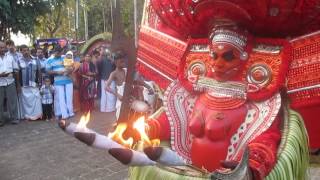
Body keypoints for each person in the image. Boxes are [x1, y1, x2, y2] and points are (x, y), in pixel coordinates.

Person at [46, 46, 74, 120]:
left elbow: (71, 68)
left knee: (69, 97)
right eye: (57, 53)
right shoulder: (49, 60)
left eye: (60, 53)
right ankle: (64, 114)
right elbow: (48, 71)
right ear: (54, 52)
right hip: (58, 81)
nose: (59, 54)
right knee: (61, 98)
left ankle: (70, 112)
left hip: (68, 80)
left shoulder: (65, 57)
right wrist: (57, 72)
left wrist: (68, 70)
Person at [17, 45, 42, 120]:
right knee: (25, 102)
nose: (26, 52)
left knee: (36, 100)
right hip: (24, 85)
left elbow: (39, 71)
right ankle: (27, 116)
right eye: (24, 50)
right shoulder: (18, 61)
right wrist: (18, 85)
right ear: (21, 52)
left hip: (34, 84)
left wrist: (40, 82)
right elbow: (17, 74)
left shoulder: (35, 59)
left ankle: (36, 116)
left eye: (27, 50)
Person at [0, 41, 19, 126]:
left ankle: (14, 118)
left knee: (12, 101)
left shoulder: (10, 57)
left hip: (10, 81)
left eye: (4, 47)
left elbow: (16, 70)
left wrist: (18, 84)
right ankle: (1, 120)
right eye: (1, 47)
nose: (3, 49)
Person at [104, 53, 126, 120]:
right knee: (119, 116)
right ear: (116, 63)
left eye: (123, 61)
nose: (123, 63)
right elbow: (106, 87)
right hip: (121, 96)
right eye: (121, 62)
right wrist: (117, 95)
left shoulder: (126, 70)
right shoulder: (114, 73)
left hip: (128, 96)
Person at [100, 48, 116, 113]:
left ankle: (109, 108)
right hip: (106, 79)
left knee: (109, 94)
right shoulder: (102, 60)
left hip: (109, 79)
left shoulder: (112, 60)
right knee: (107, 94)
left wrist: (112, 59)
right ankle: (106, 109)